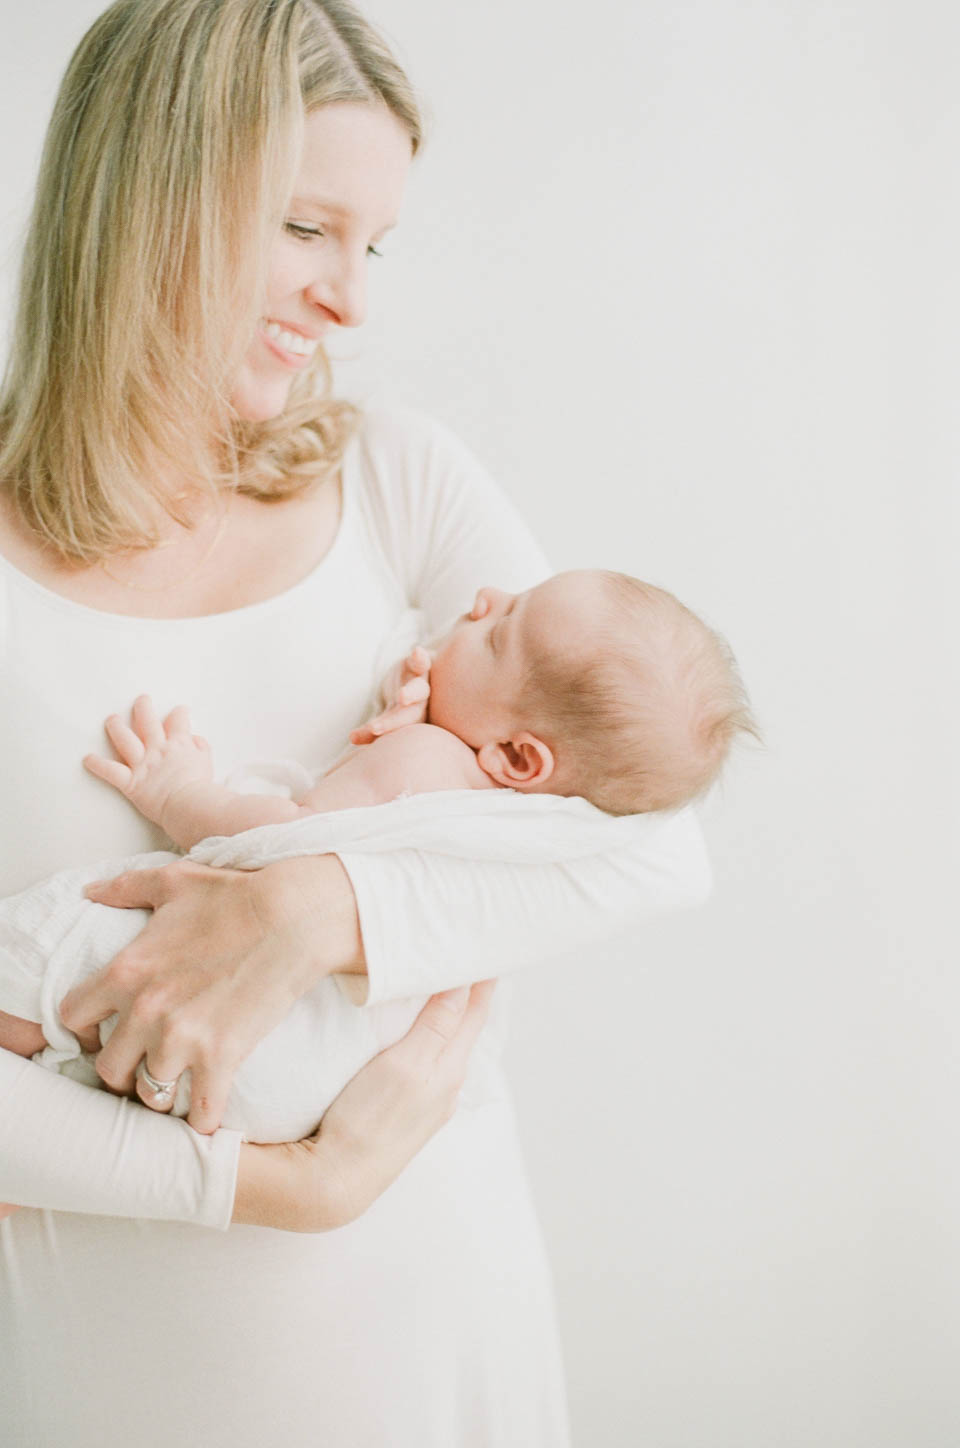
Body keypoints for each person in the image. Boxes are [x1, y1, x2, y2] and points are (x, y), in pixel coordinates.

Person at [0, 2, 711, 1444]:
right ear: (148, 196)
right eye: (306, 228)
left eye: (372, 245)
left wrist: (306, 908)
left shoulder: (400, 484)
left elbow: (655, 849)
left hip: (439, 1354)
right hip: (113, 1396)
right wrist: (279, 1189)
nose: (350, 303)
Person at [0, 570, 753, 1144]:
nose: (485, 599)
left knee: (49, 947)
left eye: (499, 632)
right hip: (313, 1087)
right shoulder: (538, 829)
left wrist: (180, 794)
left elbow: (282, 841)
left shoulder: (425, 757)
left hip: (264, 1032)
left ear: (519, 759)